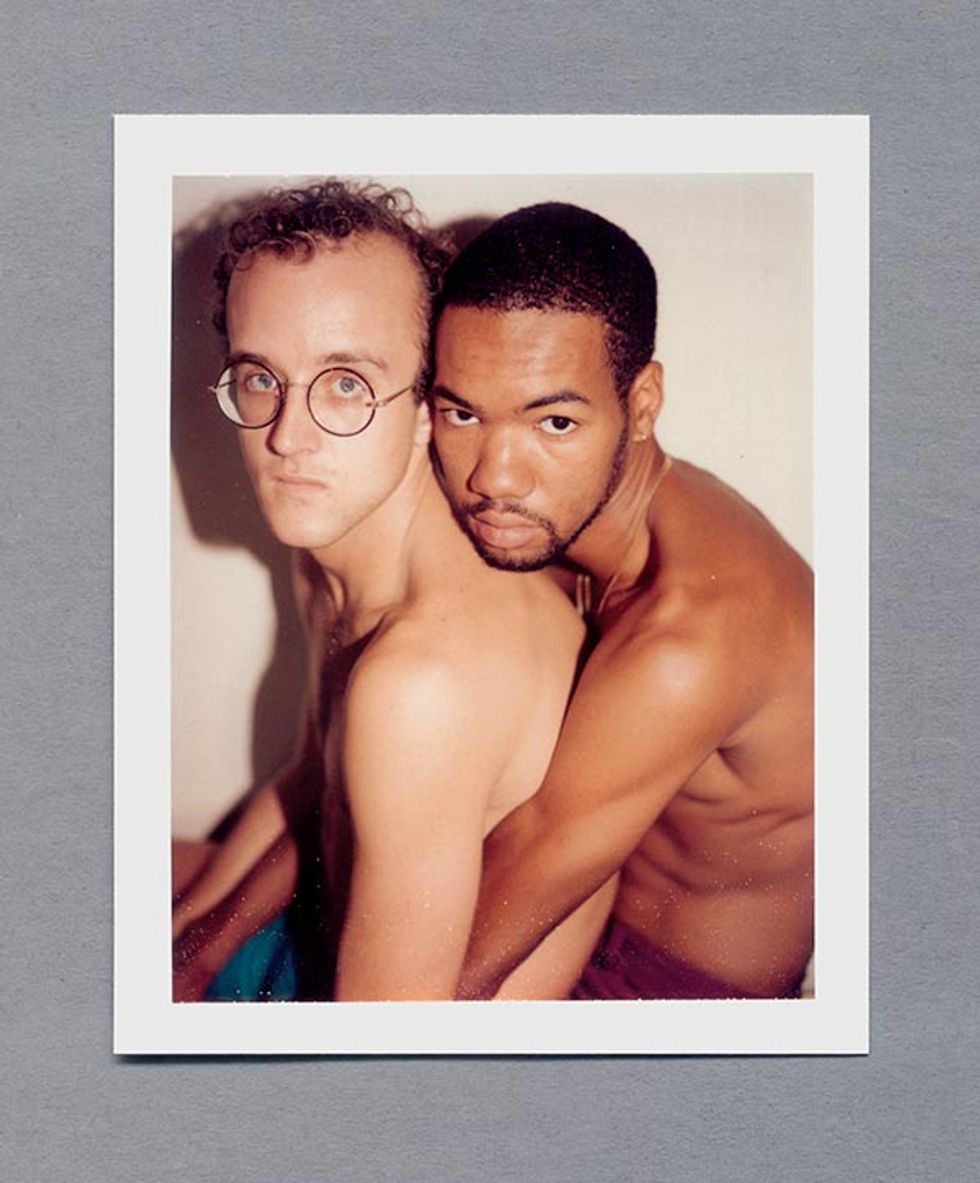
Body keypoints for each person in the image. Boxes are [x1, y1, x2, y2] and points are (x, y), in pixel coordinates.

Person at [171, 182, 614, 1002]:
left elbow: (389, 1047)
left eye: (345, 383)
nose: (287, 436)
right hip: (325, 937)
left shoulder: (421, 682)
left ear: (428, 405)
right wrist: (192, 945)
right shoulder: (330, 555)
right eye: (261, 377)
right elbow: (314, 777)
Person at [429, 202, 814, 1000]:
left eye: (554, 421)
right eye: (461, 412)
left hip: (665, 997)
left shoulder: (689, 636)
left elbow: (447, 982)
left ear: (641, 405)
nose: (494, 476)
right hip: (574, 935)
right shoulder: (563, 522)